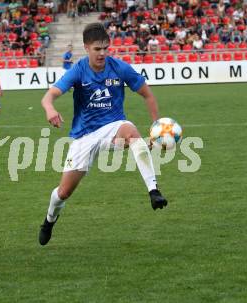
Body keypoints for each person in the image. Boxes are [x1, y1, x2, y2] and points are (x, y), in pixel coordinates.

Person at [38, 23, 168, 246]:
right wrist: (50, 109)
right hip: (84, 136)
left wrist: (157, 126)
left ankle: (153, 190)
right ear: (86, 47)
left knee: (131, 131)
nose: (102, 53)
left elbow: (148, 95)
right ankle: (49, 220)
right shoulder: (78, 70)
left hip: (113, 126)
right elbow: (48, 97)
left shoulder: (119, 68)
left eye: (105, 48)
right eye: (97, 49)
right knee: (64, 192)